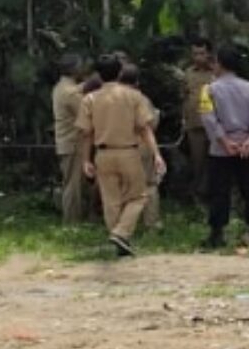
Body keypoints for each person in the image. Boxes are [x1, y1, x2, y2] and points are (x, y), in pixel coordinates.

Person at [78, 54, 164, 256]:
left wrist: (85, 160)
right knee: (139, 196)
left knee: (111, 201)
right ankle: (122, 232)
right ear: (119, 72)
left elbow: (86, 133)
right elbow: (145, 129)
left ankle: (119, 240)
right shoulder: (134, 96)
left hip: (102, 153)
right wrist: (156, 154)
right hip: (128, 152)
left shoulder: (90, 99)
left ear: (99, 74)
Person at [200, 44, 249, 248]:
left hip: (221, 150)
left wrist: (223, 140)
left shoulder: (209, 90)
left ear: (219, 64)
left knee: (219, 191)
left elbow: (208, 118)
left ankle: (217, 234)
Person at [119, 60, 164, 233]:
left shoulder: (111, 99)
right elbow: (150, 124)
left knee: (123, 186)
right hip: (142, 145)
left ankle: (125, 226)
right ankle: (151, 223)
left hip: (120, 146)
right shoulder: (142, 99)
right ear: (137, 82)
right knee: (149, 185)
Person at [51, 56, 88, 222]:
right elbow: (86, 112)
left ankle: (72, 218)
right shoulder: (71, 93)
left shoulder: (61, 87)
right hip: (73, 142)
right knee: (73, 185)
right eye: (80, 66)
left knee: (70, 182)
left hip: (65, 142)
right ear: (73, 69)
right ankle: (72, 221)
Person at [179, 37, 215, 203]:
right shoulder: (188, 73)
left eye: (202, 53)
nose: (198, 57)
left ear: (209, 54)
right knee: (197, 160)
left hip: (215, 125)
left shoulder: (216, 72)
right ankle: (197, 194)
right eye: (195, 53)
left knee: (214, 160)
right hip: (195, 124)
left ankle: (212, 193)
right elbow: (184, 95)